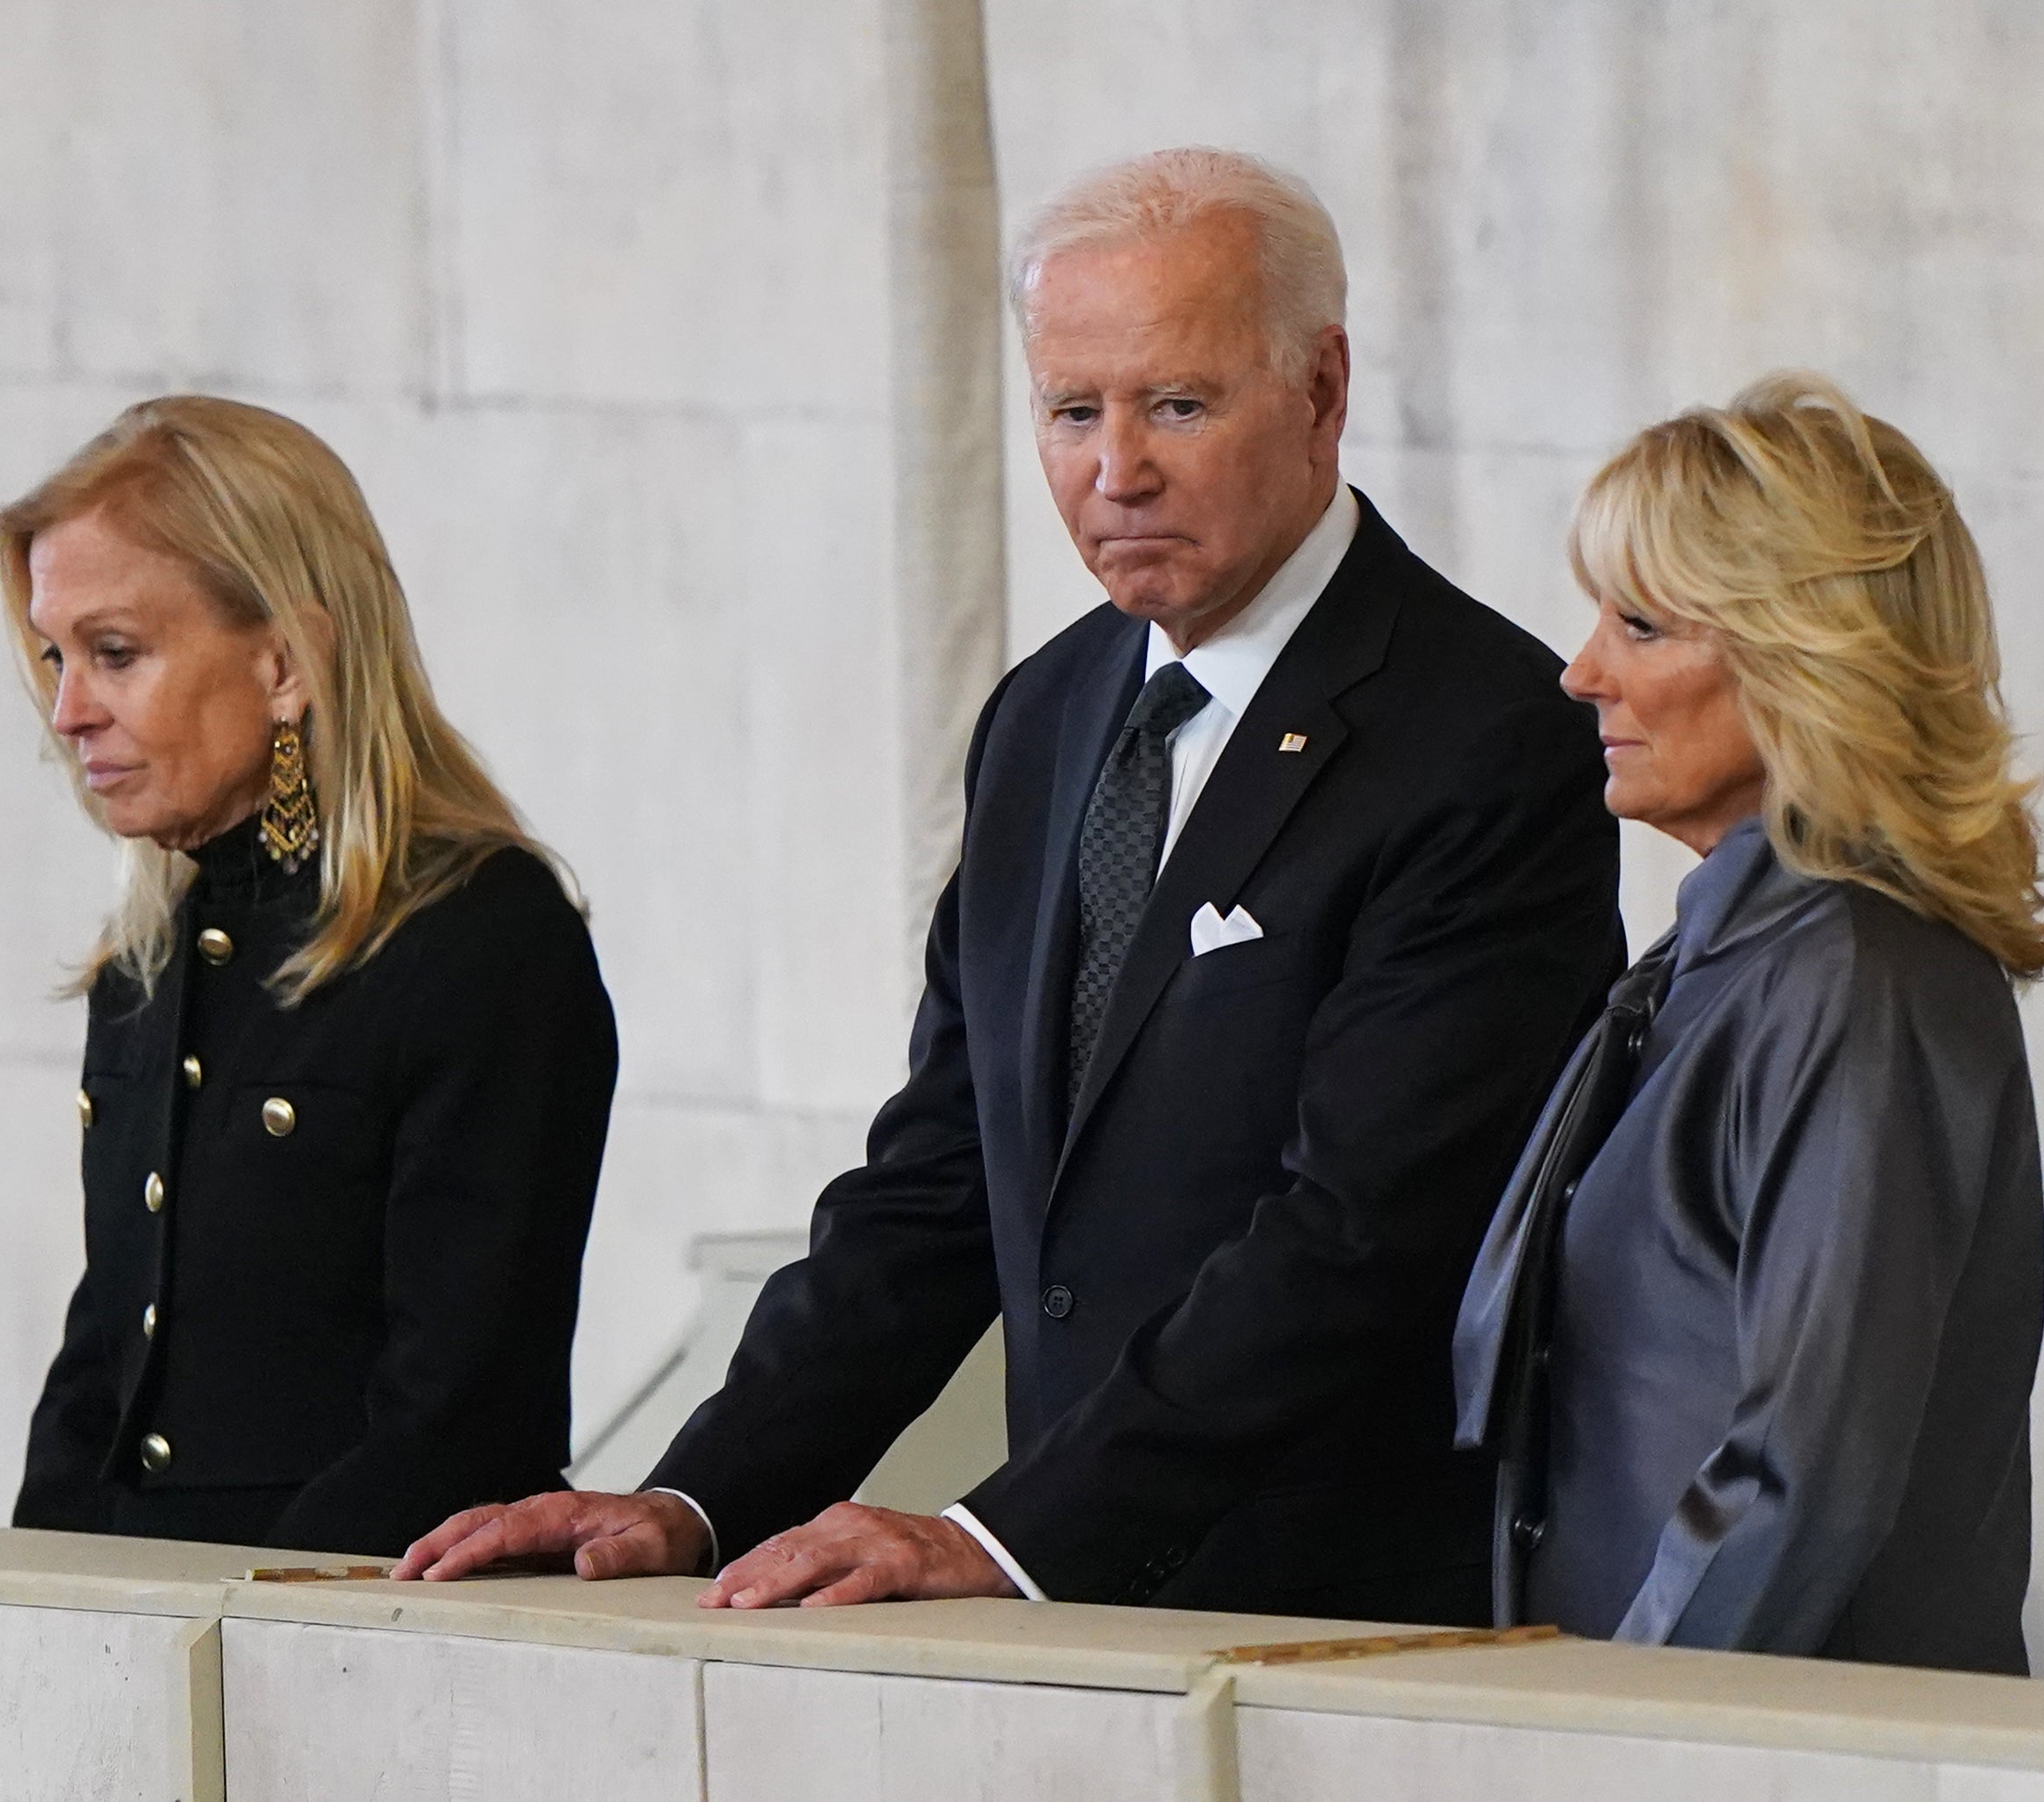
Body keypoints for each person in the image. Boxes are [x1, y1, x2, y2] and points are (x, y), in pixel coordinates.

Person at [399, 148, 1621, 1623]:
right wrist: (697, 1499)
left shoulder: (1483, 737)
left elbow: (1359, 1238)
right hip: (1076, 1624)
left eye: (1177, 403)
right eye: (1070, 411)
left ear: (1321, 390)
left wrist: (1003, 1540)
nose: (1118, 471)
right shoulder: (1043, 720)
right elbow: (941, 1178)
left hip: (1351, 1628)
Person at [1452, 372, 2044, 1670]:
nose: (1581, 673)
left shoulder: (1854, 981)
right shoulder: (1736, 957)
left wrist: (1616, 1746)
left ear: (1803, 658)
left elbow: (1804, 1468)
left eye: (1641, 625)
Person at [5, 396, 616, 1556]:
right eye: (56, 656)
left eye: (116, 654)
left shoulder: (481, 937)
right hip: (146, 1628)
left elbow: (463, 1416)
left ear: (285, 661)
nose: (69, 710)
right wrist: (32, 1605)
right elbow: (104, 1369)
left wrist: (249, 1628)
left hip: (355, 1629)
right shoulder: (148, 962)